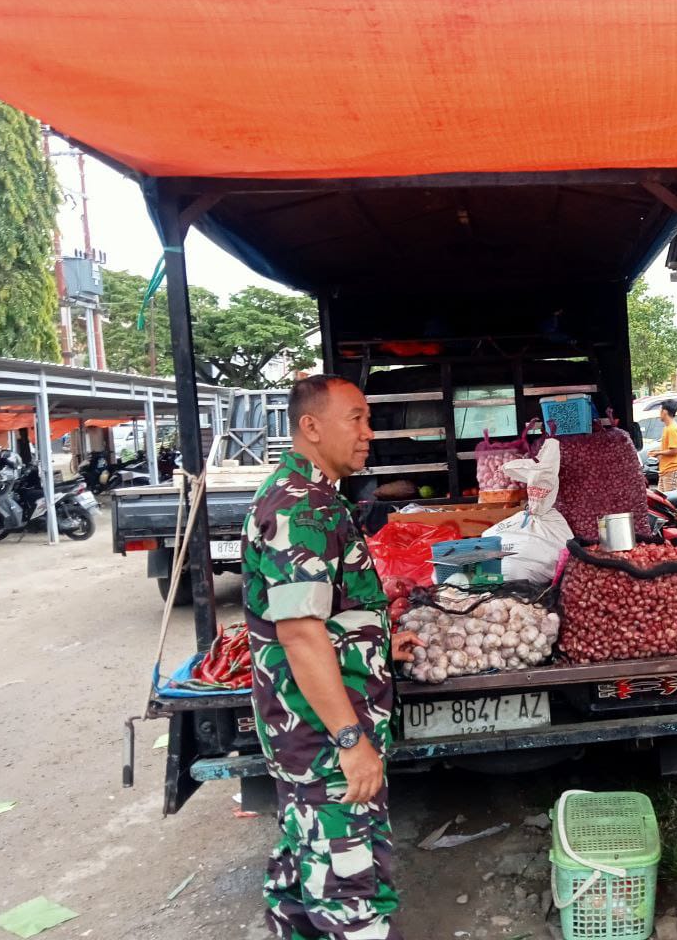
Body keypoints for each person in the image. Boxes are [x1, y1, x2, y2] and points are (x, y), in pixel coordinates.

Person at [242, 374, 420, 940]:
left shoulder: (315, 497)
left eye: (369, 419)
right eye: (356, 419)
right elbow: (299, 636)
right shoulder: (300, 509)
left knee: (304, 869)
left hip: (310, 734)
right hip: (321, 738)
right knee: (349, 889)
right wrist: (350, 741)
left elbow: (321, 614)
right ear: (311, 427)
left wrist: (374, 642)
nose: (369, 433)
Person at [650, 399, 677, 492]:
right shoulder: (668, 428)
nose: (659, 414)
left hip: (672, 470)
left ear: (664, 412)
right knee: (661, 498)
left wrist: (658, 453)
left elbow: (675, 450)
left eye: (660, 411)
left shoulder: (672, 429)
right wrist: (658, 452)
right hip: (666, 470)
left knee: (669, 498)